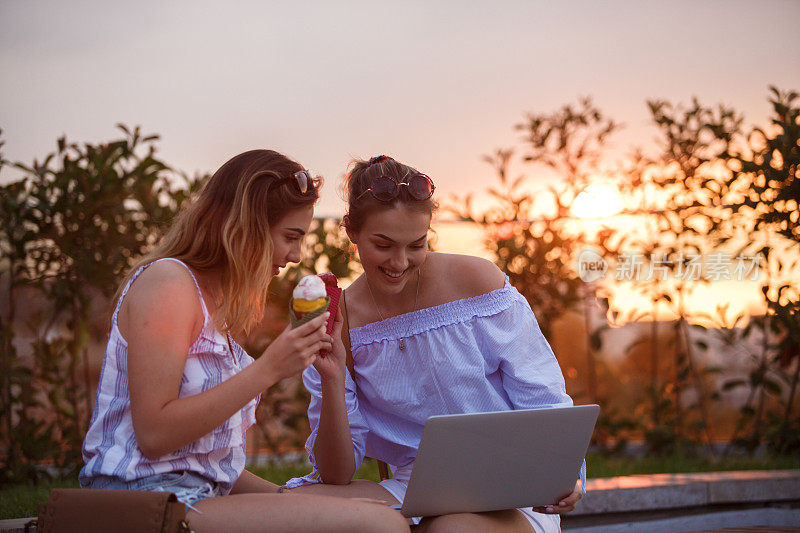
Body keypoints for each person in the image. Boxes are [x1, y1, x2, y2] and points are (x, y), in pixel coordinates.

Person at [79, 150, 409, 533]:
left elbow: (212, 468)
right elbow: (154, 436)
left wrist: (296, 501)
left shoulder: (214, 310)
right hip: (142, 502)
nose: (294, 256)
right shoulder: (168, 284)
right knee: (378, 527)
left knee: (375, 509)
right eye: (290, 237)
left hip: (193, 498)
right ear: (245, 225)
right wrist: (268, 369)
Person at [284, 155, 585, 532]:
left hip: (511, 491)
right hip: (413, 492)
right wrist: (330, 375)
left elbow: (544, 399)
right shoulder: (343, 320)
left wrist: (563, 475)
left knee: (449, 529)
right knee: (295, 511)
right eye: (383, 244)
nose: (400, 262)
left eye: (416, 245)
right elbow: (336, 472)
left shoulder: (478, 283)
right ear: (351, 232)